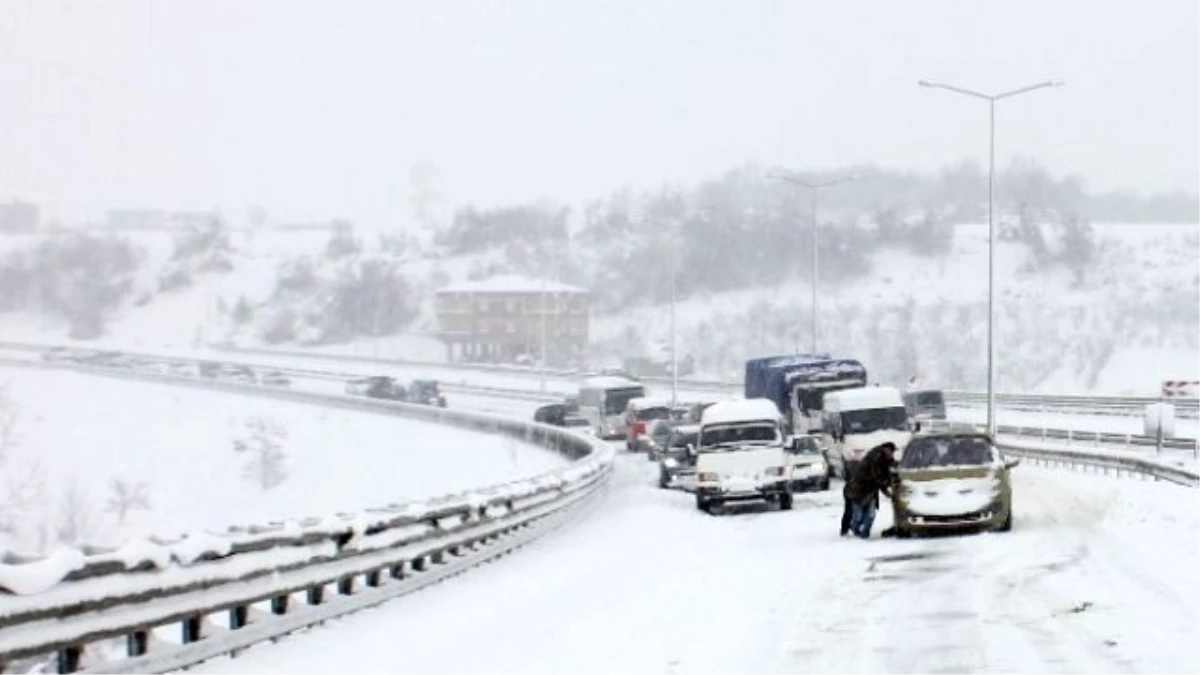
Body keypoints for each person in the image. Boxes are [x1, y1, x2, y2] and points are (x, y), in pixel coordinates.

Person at [844, 442, 899, 539]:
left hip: (871, 490)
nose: (891, 454)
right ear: (886, 449)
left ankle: (864, 534)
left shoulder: (886, 460)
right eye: (891, 451)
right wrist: (888, 485)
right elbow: (877, 477)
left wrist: (890, 485)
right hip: (858, 490)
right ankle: (855, 531)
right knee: (858, 516)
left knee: (870, 515)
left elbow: (887, 474)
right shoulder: (875, 458)